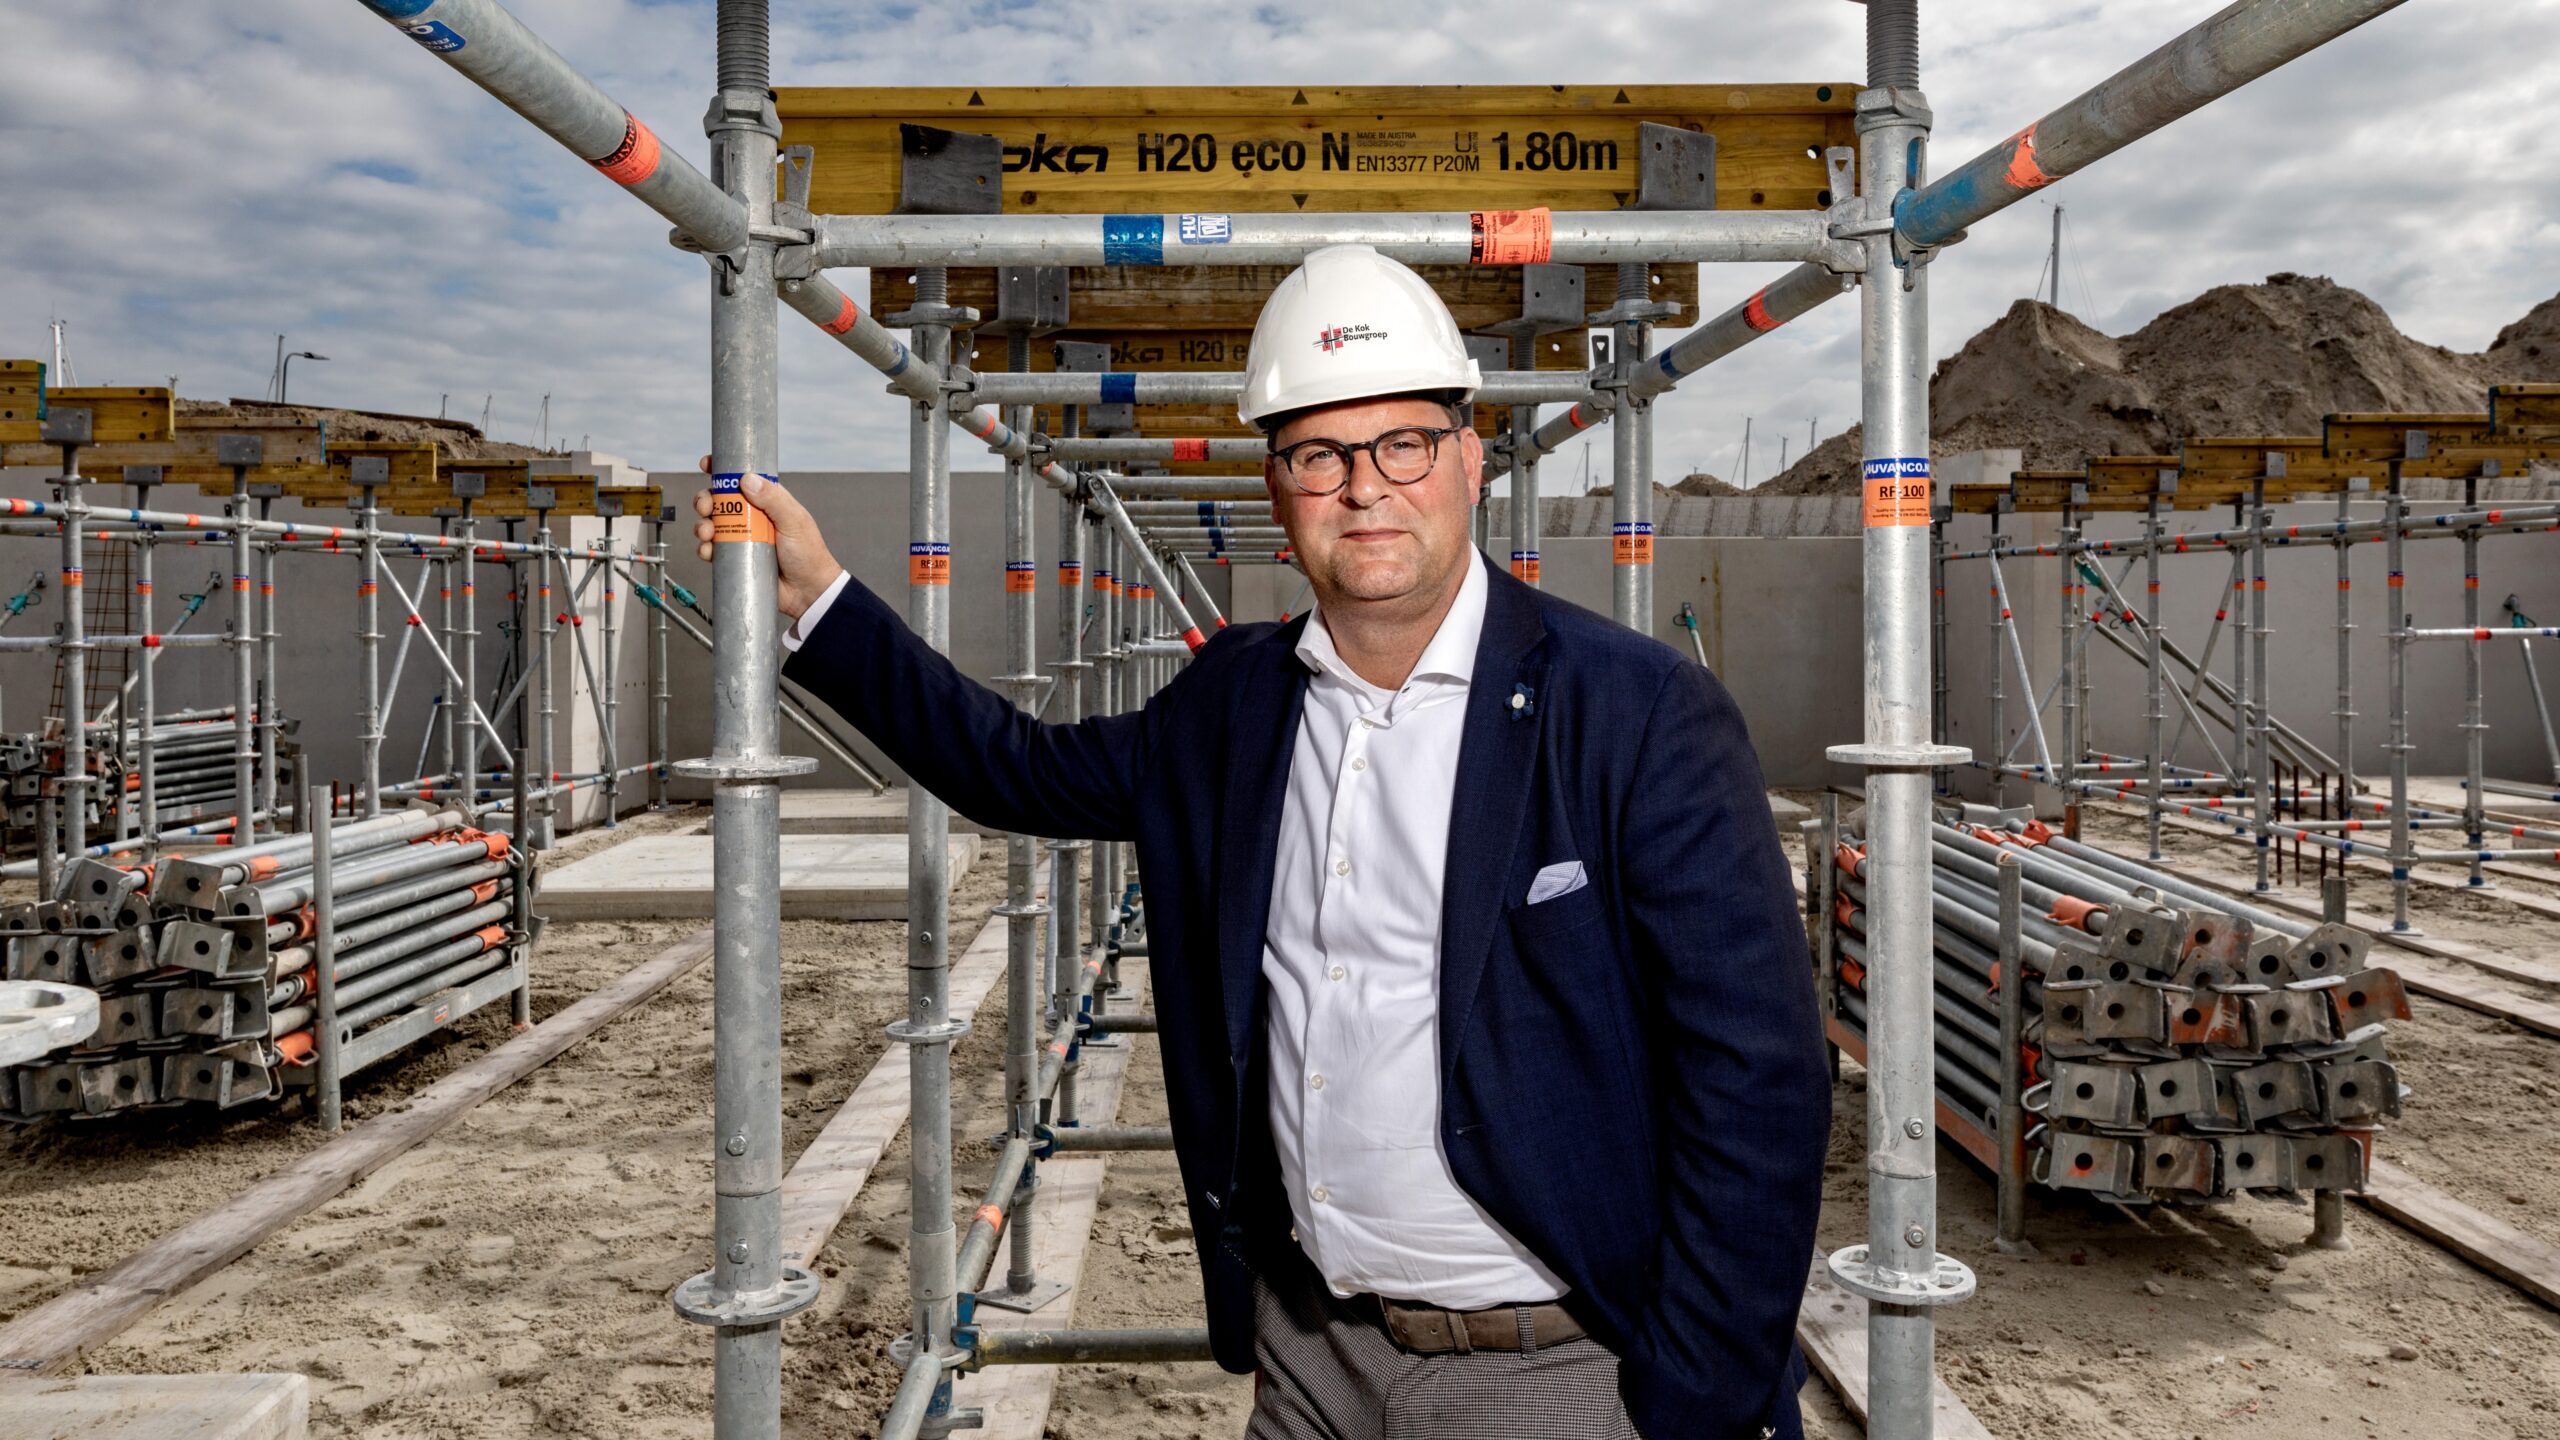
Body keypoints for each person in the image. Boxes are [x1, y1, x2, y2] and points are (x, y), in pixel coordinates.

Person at [697, 244, 1829, 1440]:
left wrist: (1697, 1394)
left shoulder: (1634, 712)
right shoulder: (1234, 704)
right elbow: (1015, 770)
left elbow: (1757, 1077)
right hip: (1309, 1359)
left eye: (1403, 444)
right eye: (1319, 455)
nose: (1365, 487)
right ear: (1279, 484)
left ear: (1468, 458)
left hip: (1553, 1372)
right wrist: (820, 598)